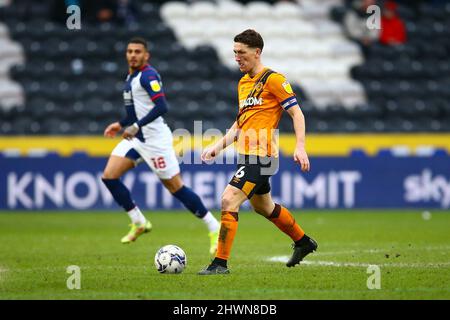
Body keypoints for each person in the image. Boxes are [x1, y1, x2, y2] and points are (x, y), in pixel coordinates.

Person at [198, 29, 317, 275]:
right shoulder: (243, 83)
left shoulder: (274, 79)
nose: (237, 58)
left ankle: (220, 264)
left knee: (228, 199)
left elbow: (297, 113)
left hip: (263, 157)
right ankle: (304, 241)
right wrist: (217, 147)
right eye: (234, 53)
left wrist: (300, 146)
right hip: (247, 155)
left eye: (241, 53)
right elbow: (240, 124)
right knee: (264, 207)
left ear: (257, 52)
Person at [102, 37, 220, 254]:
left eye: (138, 51)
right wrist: (120, 124)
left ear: (146, 55)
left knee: (176, 188)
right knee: (109, 176)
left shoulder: (148, 75)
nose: (133, 55)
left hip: (156, 141)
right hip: (138, 140)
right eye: (130, 51)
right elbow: (134, 112)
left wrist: (136, 125)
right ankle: (139, 221)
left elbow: (162, 106)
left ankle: (215, 227)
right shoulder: (130, 77)